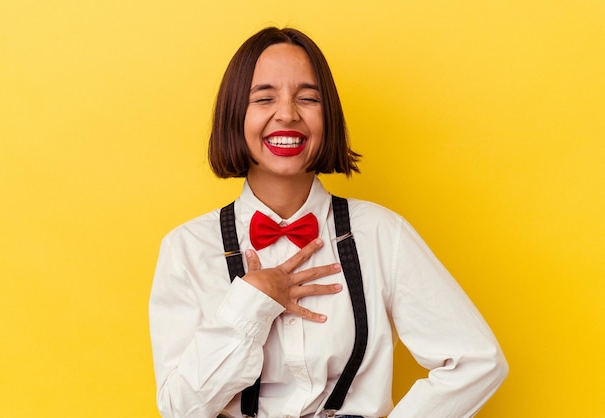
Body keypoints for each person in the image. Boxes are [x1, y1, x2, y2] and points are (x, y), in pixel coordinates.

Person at [149, 27, 508, 418]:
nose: (287, 113)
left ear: (329, 116)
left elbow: (477, 361)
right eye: (264, 97)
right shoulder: (187, 248)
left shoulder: (379, 233)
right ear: (235, 114)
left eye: (307, 98)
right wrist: (250, 304)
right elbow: (179, 410)